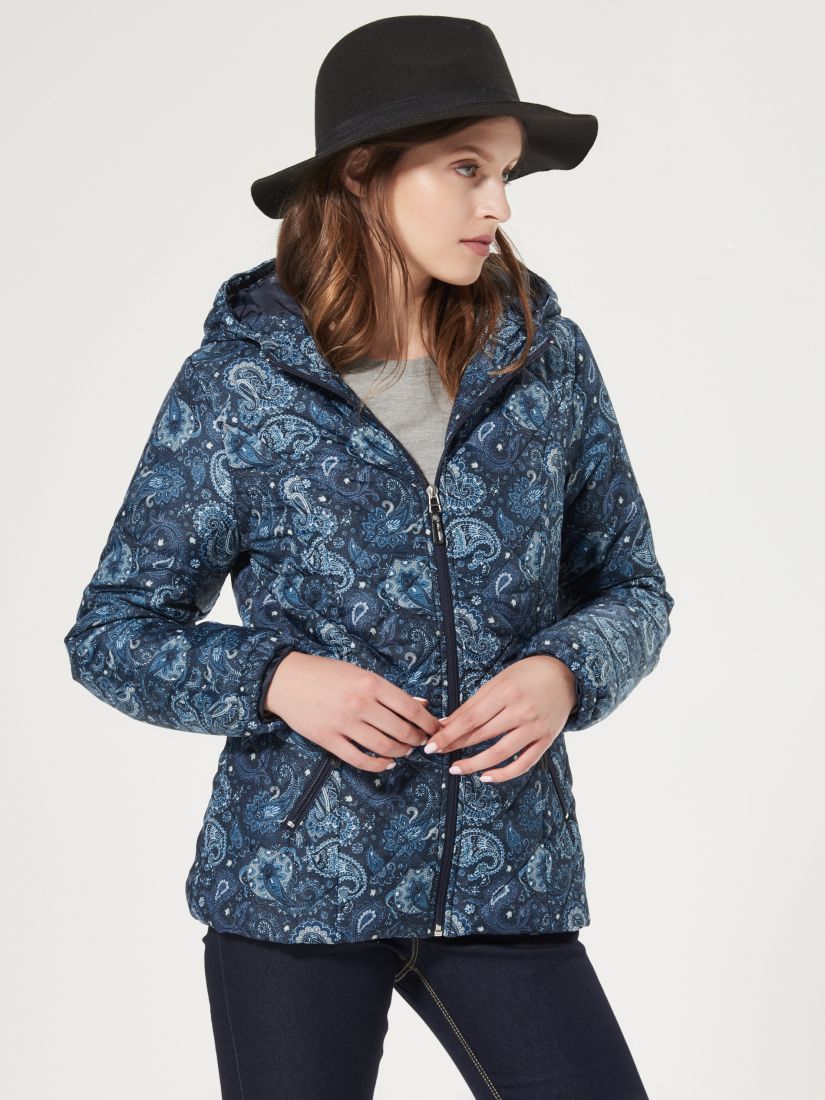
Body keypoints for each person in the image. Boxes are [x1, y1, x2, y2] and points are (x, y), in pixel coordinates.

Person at [64, 15, 674, 1100]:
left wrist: (565, 670)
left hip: (504, 872)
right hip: (290, 888)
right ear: (363, 173)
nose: (500, 206)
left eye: (506, 174)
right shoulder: (242, 382)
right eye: (468, 168)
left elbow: (630, 583)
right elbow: (113, 631)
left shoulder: (544, 358)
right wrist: (278, 677)